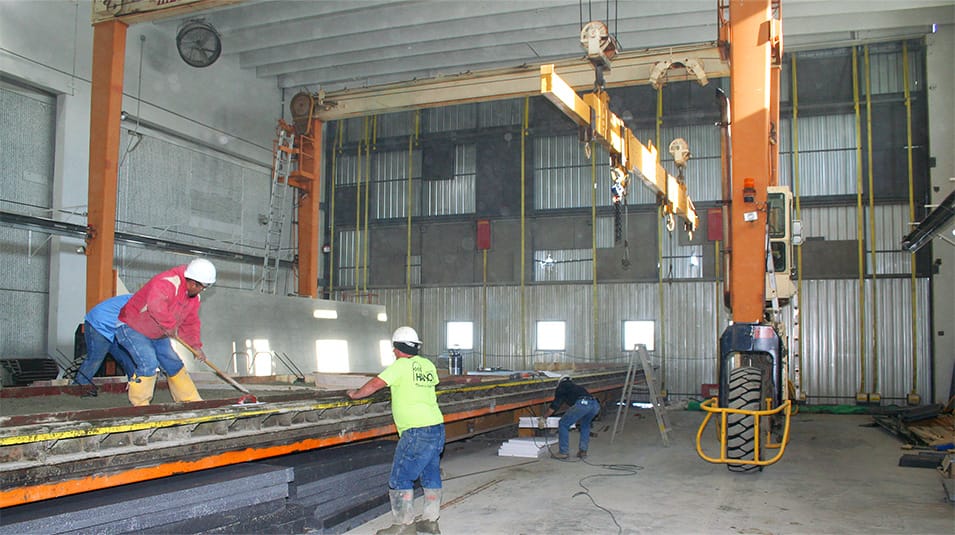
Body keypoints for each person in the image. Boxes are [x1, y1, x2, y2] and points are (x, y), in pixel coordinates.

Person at [347, 326, 445, 535]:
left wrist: (355, 394)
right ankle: (429, 521)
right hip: (436, 427)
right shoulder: (428, 365)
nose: (393, 352)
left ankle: (404, 525)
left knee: (400, 477)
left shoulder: (400, 366)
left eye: (394, 348)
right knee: (430, 474)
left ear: (398, 348)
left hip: (416, 430)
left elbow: (375, 384)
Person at [114, 258, 216, 406]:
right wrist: (170, 326)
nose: (202, 291)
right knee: (148, 362)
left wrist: (195, 346)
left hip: (157, 331)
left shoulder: (193, 298)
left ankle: (189, 400)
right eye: (203, 287)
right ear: (194, 283)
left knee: (173, 363)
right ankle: (140, 405)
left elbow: (190, 323)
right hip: (131, 327)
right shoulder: (167, 282)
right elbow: (156, 306)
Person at [74, 294, 137, 390]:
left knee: (126, 356)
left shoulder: (142, 301)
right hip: (99, 325)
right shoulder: (140, 304)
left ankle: (135, 385)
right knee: (95, 358)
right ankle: (79, 387)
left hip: (113, 327)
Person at [541, 376, 600, 459]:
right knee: (585, 425)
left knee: (563, 424)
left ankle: (563, 452)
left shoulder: (562, 387)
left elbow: (554, 406)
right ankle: (583, 451)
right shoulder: (577, 387)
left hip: (582, 404)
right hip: (595, 405)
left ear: (559, 382)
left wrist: (544, 417)